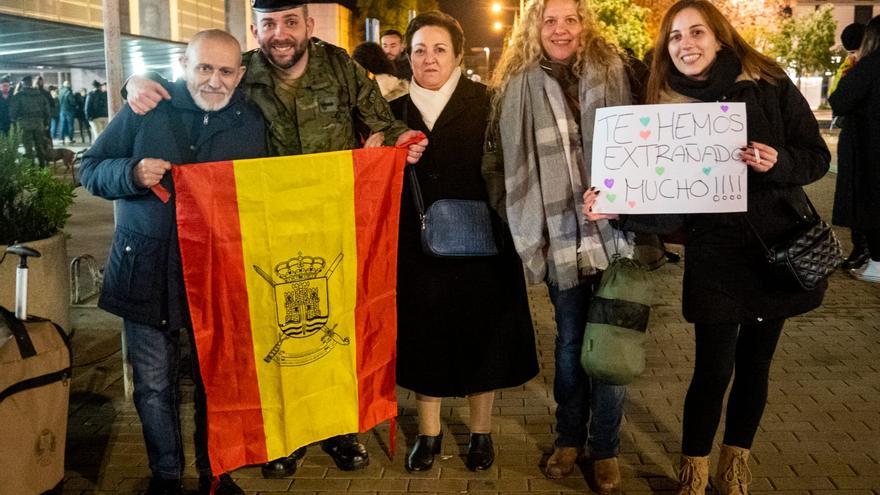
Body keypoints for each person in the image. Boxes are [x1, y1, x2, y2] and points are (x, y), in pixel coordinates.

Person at [123, 0, 428, 480]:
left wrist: (402, 140)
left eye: (290, 22)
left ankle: (339, 431)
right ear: (255, 29)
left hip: (331, 221)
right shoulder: (242, 70)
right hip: (266, 226)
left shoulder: (341, 68)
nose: (280, 34)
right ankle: (286, 438)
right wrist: (134, 82)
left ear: (308, 24)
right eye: (269, 24)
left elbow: (383, 125)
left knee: (333, 329)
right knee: (280, 333)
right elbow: (191, 85)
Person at [585, 1, 829, 492]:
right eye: (675, 37)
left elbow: (816, 157)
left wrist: (778, 163)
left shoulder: (767, 82)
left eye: (696, 32)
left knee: (756, 366)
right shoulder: (664, 105)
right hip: (714, 254)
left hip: (773, 249)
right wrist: (617, 207)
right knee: (712, 369)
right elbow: (664, 200)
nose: (686, 44)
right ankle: (693, 470)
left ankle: (734, 464)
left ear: (719, 37)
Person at [80, 29, 264, 495]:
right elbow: (90, 167)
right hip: (146, 270)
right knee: (153, 386)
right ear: (184, 65)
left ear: (240, 74)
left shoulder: (252, 122)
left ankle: (216, 475)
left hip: (218, 276)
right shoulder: (147, 105)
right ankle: (166, 477)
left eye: (226, 71)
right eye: (205, 68)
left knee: (216, 385)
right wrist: (131, 173)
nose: (215, 81)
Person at [484, 0, 635, 491]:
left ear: (585, 24)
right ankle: (569, 438)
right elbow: (496, 160)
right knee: (570, 344)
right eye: (550, 20)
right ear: (535, 27)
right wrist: (519, 216)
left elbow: (645, 145)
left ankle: (605, 447)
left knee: (611, 346)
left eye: (571, 19)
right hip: (556, 239)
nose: (560, 29)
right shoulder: (516, 84)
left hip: (616, 237)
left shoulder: (616, 73)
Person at [389, 11, 538, 473]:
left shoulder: (489, 103)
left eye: (439, 49)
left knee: (483, 336)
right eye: (419, 50)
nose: (429, 59)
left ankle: (480, 433)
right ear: (408, 57)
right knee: (423, 337)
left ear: (457, 55)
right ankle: (428, 434)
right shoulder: (392, 113)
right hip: (416, 245)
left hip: (482, 242)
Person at [830, 15, 880, 283]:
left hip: (869, 149)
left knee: (869, 203)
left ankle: (877, 262)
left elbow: (840, 100)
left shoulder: (870, 65)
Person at [10, 75, 51, 166]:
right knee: (40, 145)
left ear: (23, 84)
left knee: (28, 147)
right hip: (39, 123)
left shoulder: (19, 96)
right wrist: (46, 123)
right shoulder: (40, 95)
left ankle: (31, 168)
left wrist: (13, 121)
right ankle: (42, 166)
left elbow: (13, 111)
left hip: (24, 123)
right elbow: (47, 110)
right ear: (31, 83)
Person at [58, 80, 76, 145]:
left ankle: (61, 139)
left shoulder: (60, 92)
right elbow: (72, 101)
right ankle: (70, 139)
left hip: (62, 110)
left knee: (62, 125)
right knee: (70, 125)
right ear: (68, 85)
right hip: (69, 111)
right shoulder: (69, 92)